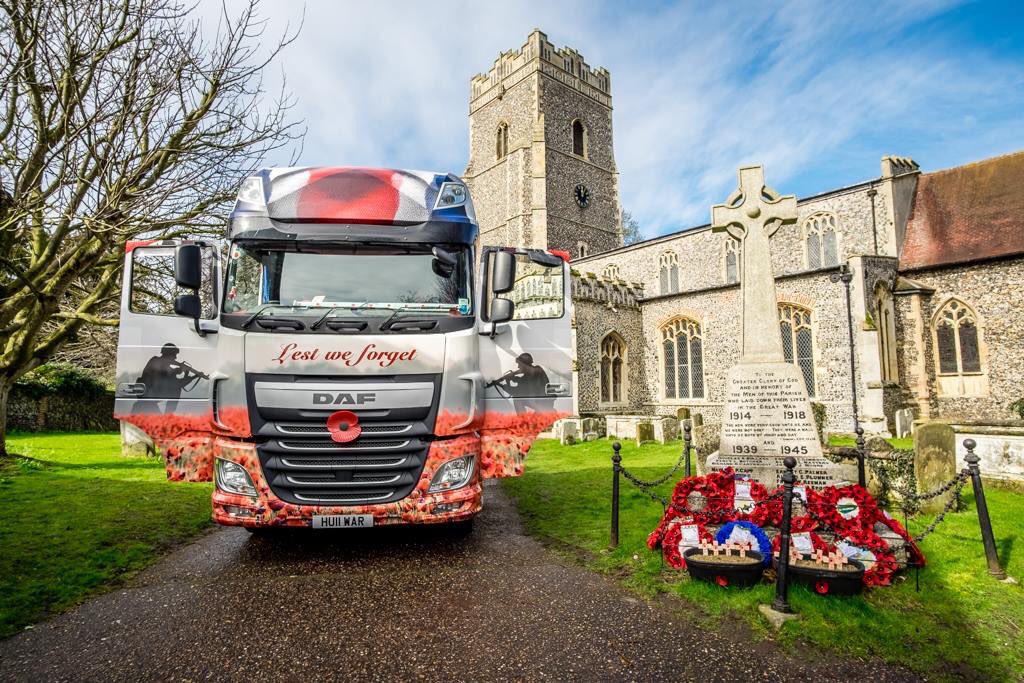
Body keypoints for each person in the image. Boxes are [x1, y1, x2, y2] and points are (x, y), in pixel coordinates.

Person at [137, 343, 208, 399]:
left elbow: (172, 378)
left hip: (149, 402)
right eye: (174, 355)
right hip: (146, 401)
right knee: (177, 390)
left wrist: (194, 376)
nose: (175, 357)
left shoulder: (158, 362)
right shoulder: (155, 361)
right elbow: (176, 384)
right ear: (168, 354)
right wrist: (177, 371)